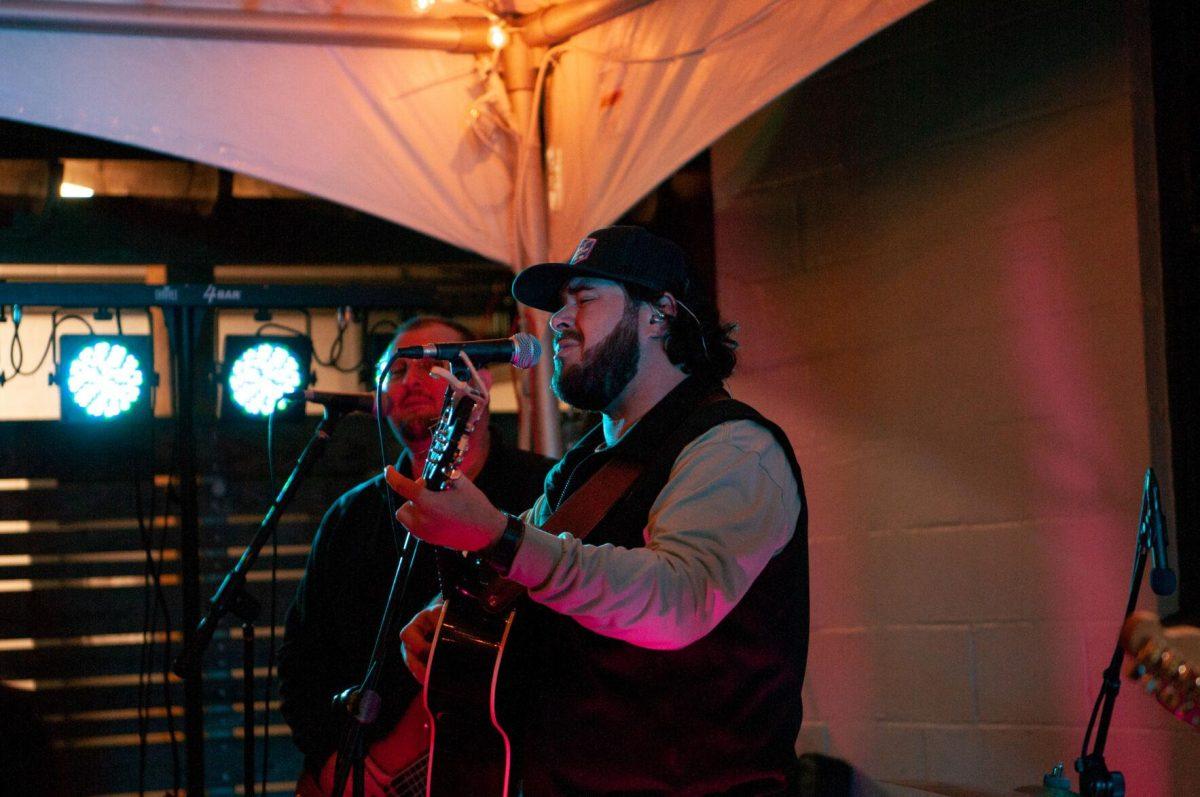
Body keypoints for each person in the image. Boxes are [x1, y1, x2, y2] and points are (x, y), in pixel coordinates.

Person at [387, 226, 809, 795]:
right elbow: (522, 570)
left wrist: (497, 537)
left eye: (583, 299)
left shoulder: (734, 449)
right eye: (560, 305)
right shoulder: (581, 465)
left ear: (659, 315)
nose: (558, 320)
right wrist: (450, 614)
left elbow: (677, 599)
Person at [278, 316, 554, 783]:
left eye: (431, 366)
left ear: (481, 381)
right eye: (397, 371)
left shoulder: (545, 491)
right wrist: (332, 761)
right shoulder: (351, 516)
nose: (409, 383)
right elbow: (302, 660)